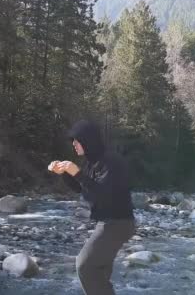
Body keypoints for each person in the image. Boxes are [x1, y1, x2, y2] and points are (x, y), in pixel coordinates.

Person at [49, 119, 135, 295]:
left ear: (88, 140)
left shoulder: (111, 161)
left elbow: (102, 194)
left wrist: (77, 173)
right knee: (100, 273)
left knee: (85, 266)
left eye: (77, 140)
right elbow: (82, 188)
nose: (74, 144)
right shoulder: (92, 161)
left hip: (117, 223)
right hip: (109, 222)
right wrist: (64, 174)